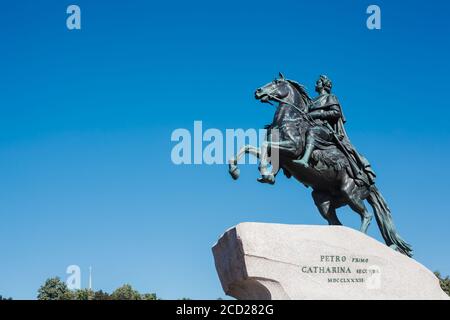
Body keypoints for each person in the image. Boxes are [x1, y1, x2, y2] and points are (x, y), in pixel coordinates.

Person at [294, 75, 376, 186]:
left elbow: (336, 113)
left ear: (324, 84)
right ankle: (272, 169)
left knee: (312, 132)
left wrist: (317, 114)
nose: (315, 84)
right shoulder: (311, 101)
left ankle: (304, 159)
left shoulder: (330, 97)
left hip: (324, 129)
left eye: (318, 82)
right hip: (310, 126)